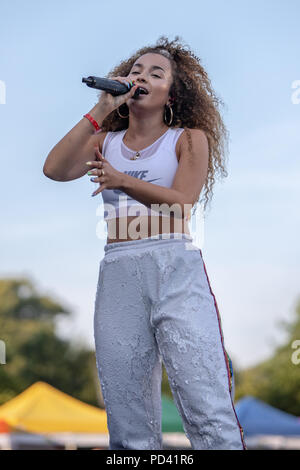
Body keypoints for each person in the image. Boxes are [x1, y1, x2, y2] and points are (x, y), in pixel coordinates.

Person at [43, 35, 247, 450]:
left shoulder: (188, 138)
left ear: (171, 93)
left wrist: (121, 181)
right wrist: (100, 111)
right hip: (118, 269)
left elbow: (182, 204)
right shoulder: (106, 143)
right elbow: (54, 169)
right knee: (126, 412)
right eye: (136, 70)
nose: (141, 76)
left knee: (203, 399)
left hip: (173, 266)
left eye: (156, 73)